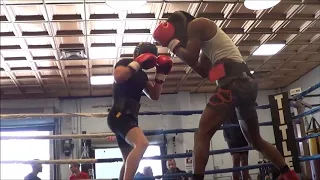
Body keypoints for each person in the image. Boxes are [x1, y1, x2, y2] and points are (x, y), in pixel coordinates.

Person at [152, 11, 299, 180]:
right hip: (245, 85)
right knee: (255, 141)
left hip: (234, 84)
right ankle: (289, 175)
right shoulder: (207, 47)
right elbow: (205, 74)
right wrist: (178, 49)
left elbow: (190, 57)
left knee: (201, 134)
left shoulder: (196, 23)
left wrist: (172, 44)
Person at [108, 42, 173, 180]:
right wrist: (137, 63)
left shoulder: (142, 76)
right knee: (142, 144)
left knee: (127, 160)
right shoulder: (125, 63)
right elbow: (119, 77)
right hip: (119, 114)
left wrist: (161, 75)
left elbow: (154, 95)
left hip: (130, 117)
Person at [223, 109, 250, 180]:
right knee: (236, 158)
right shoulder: (224, 101)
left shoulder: (240, 99)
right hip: (230, 133)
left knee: (244, 159)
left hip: (243, 132)